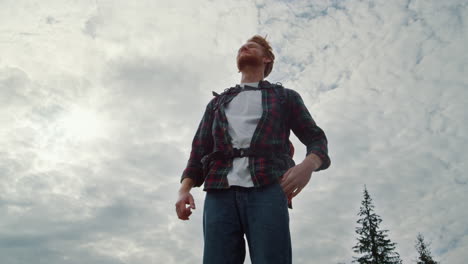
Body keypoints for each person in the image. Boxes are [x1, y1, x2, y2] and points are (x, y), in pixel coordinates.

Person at [175, 35, 330, 264]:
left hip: (268, 188)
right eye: (241, 47)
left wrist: (307, 166)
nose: (244, 47)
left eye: (253, 46)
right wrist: (184, 190)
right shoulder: (217, 103)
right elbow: (198, 151)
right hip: (220, 191)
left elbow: (316, 138)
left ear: (267, 58)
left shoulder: (285, 97)